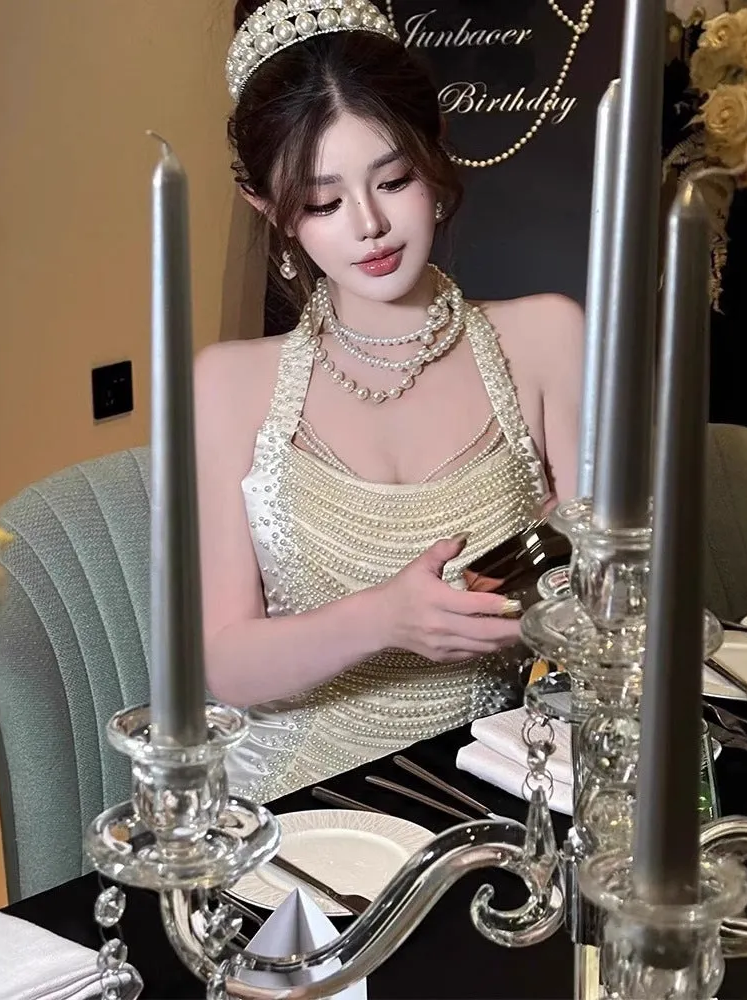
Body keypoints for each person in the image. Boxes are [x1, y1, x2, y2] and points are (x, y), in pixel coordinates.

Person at [194, 0, 584, 801]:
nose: (369, 225)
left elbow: (612, 598)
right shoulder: (228, 385)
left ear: (434, 154)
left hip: (501, 781)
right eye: (323, 202)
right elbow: (224, 663)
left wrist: (558, 582)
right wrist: (384, 618)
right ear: (269, 209)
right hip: (303, 805)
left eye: (394, 179)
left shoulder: (546, 339)